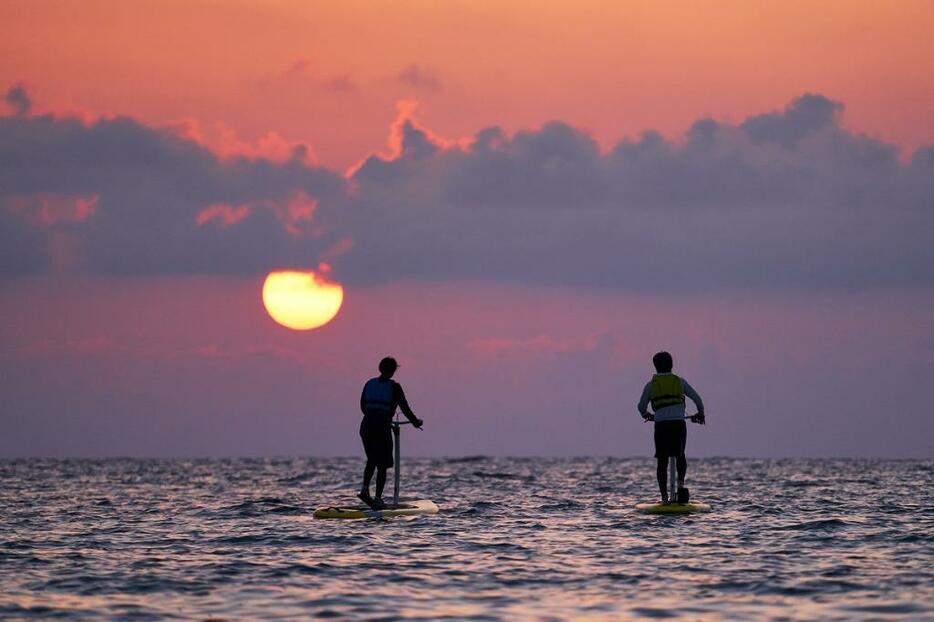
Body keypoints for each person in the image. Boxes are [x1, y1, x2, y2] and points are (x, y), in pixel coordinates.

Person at [637, 351, 705, 504]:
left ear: (655, 367)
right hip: (678, 425)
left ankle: (664, 498)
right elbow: (698, 399)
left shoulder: (651, 385)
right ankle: (680, 486)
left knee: (662, 461)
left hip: (661, 426)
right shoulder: (680, 382)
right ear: (672, 365)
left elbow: (641, 406)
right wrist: (701, 414)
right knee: (680, 455)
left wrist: (647, 415)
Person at [358, 356, 423, 509]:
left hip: (366, 426)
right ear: (393, 371)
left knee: (372, 458)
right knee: (383, 464)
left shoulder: (369, 384)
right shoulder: (395, 387)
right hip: (380, 428)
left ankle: (365, 489)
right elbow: (405, 408)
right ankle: (378, 498)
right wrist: (415, 422)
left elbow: (363, 407)